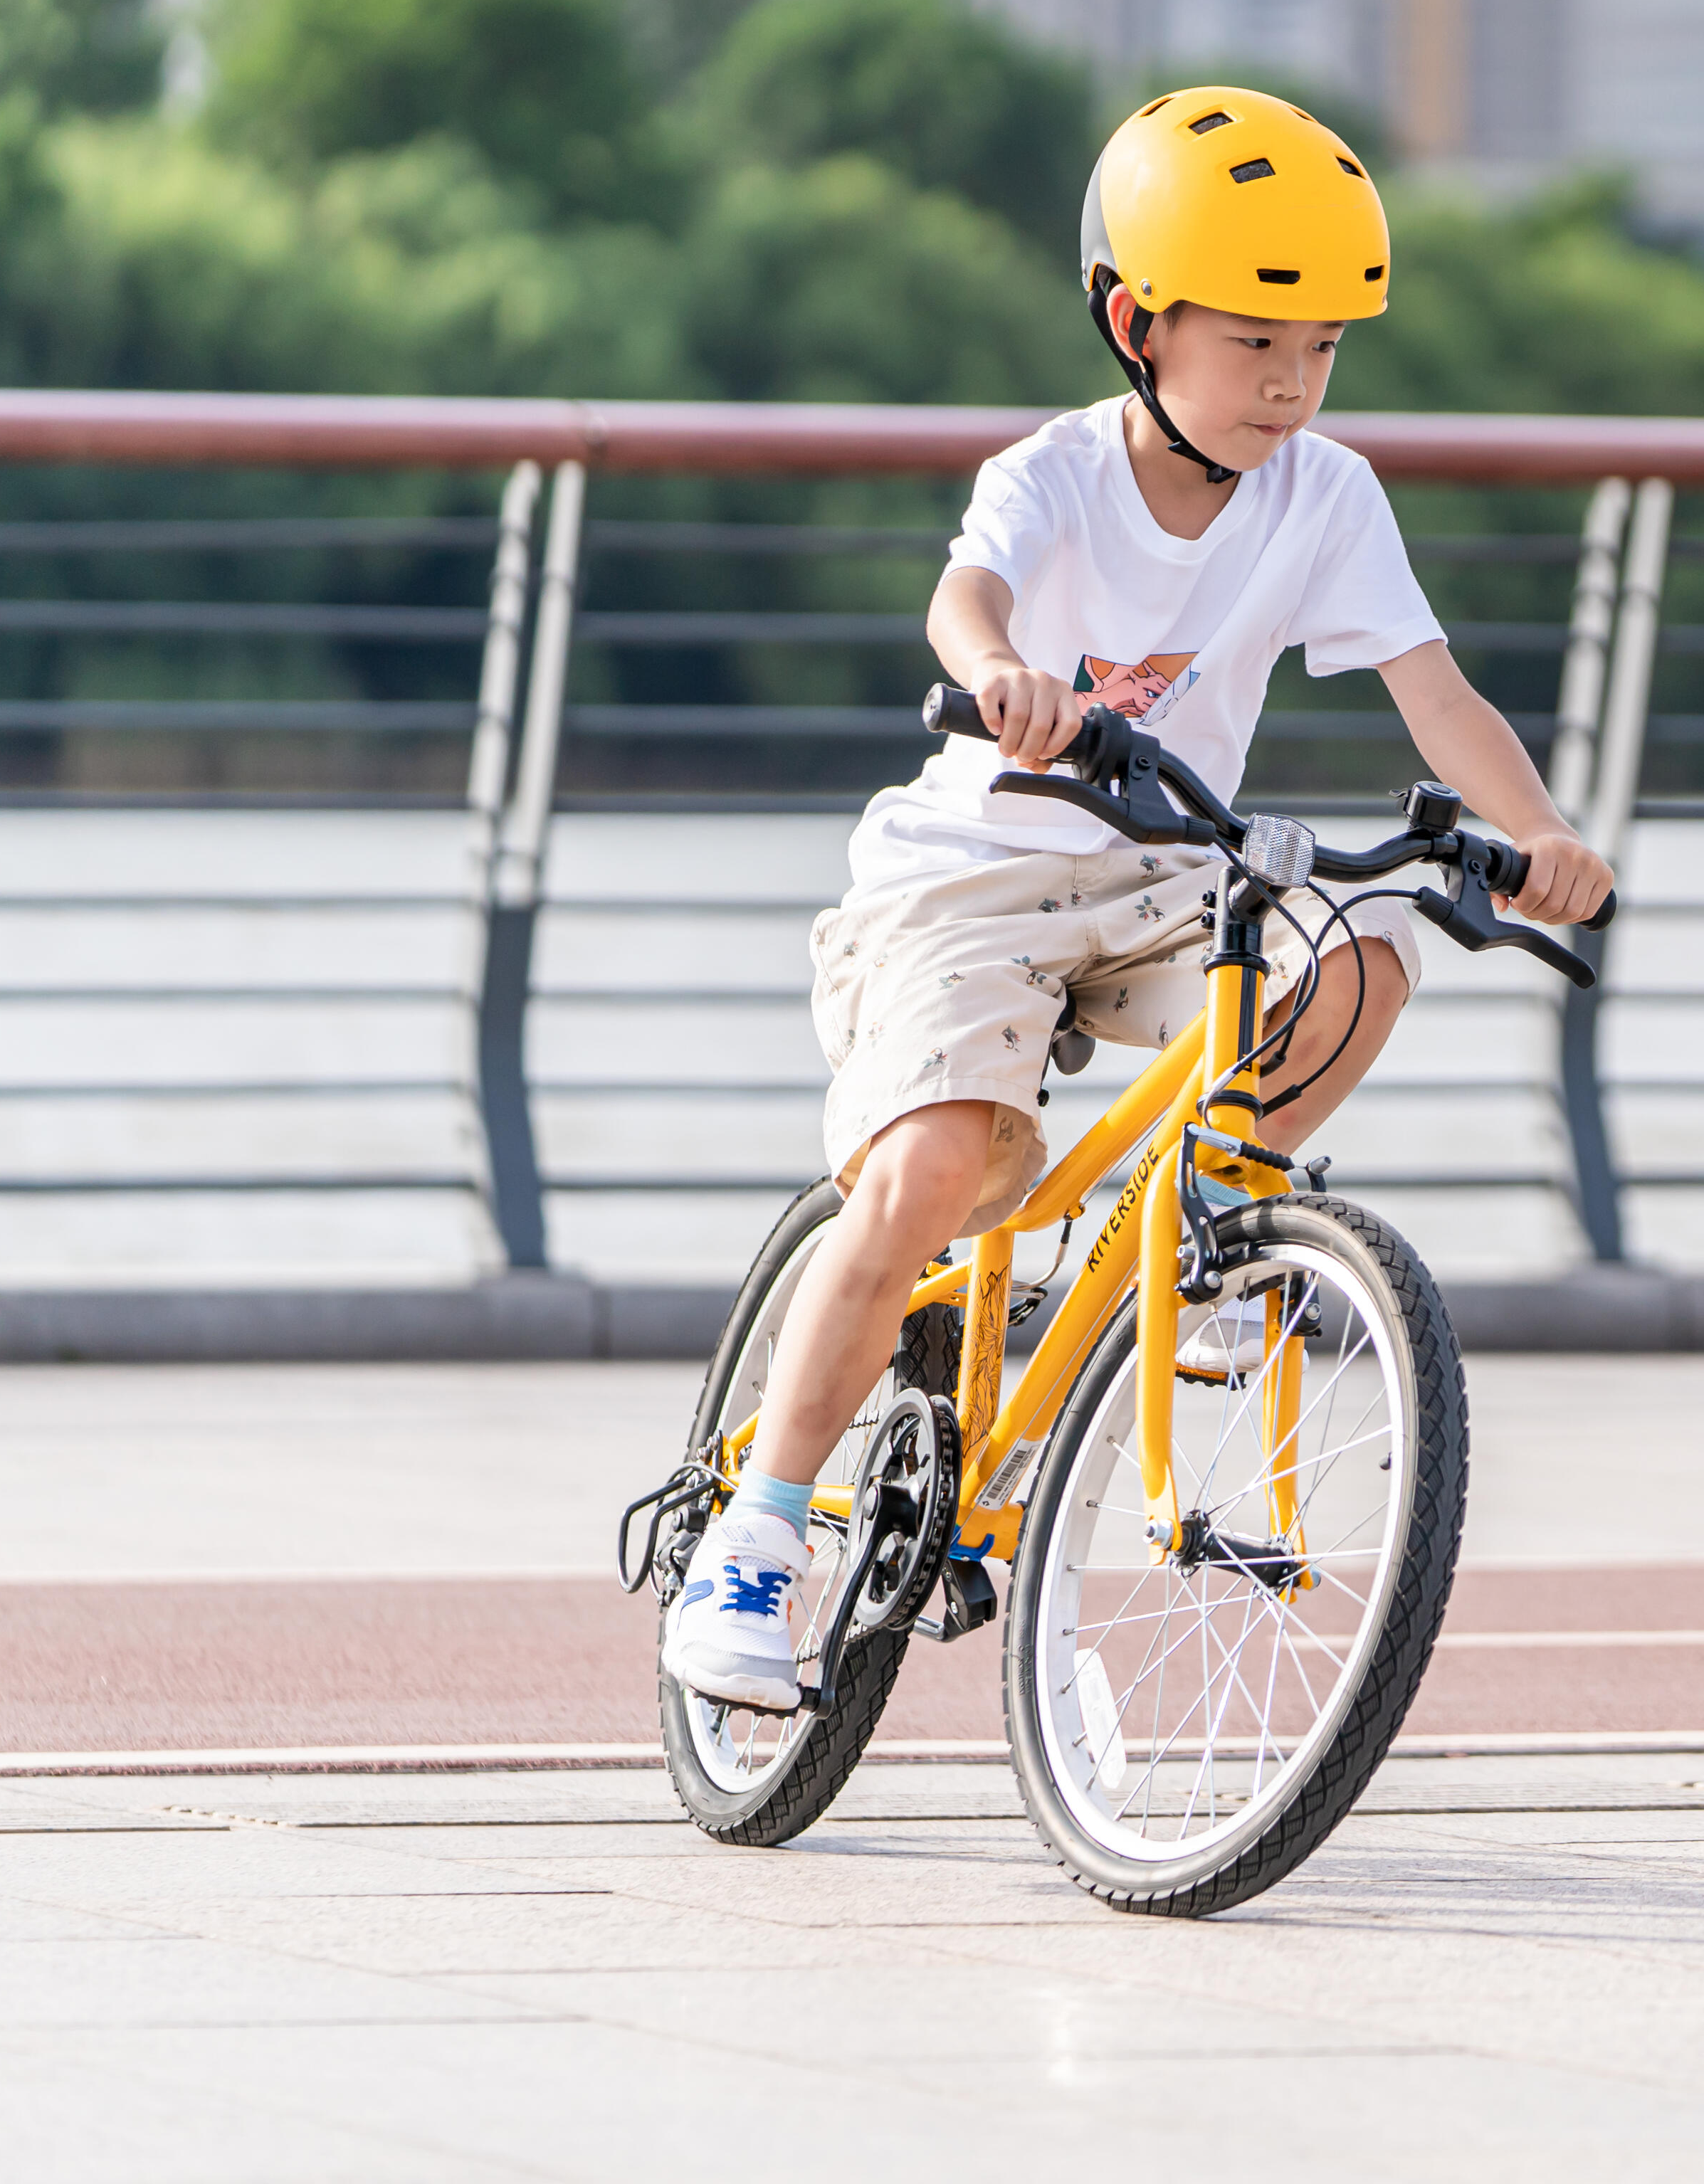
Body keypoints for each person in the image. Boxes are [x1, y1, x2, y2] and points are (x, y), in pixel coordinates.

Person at [666, 85, 1614, 1710]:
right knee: (931, 1172)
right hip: (974, 878)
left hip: (1168, 871)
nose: (1292, 384)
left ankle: (1201, 1221)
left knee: (1360, 946)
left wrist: (1541, 837)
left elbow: (1436, 693)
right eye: (1255, 342)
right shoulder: (1055, 474)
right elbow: (964, 593)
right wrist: (1005, 675)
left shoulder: (1326, 494)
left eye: (1322, 347)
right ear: (1135, 324)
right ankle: (756, 1535)